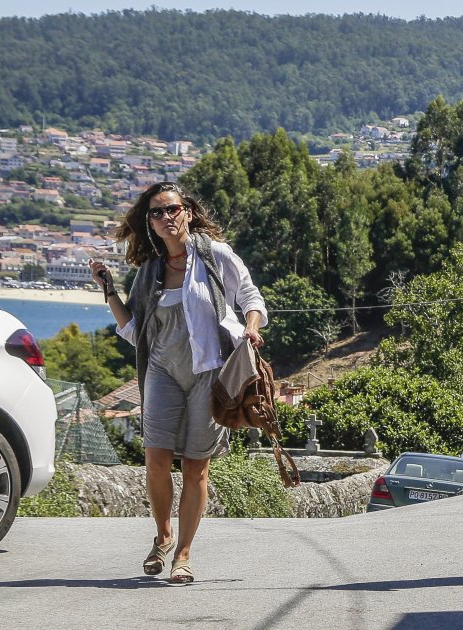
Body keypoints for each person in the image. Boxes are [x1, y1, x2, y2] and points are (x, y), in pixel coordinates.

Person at [89, 181, 267, 584]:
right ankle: (164, 535)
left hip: (208, 371)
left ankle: (183, 554)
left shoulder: (214, 256)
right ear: (149, 223)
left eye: (172, 209)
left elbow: (251, 297)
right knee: (155, 461)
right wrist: (109, 289)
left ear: (187, 212)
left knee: (195, 468)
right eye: (157, 213)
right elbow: (136, 330)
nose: (166, 218)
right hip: (162, 372)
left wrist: (251, 329)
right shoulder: (149, 272)